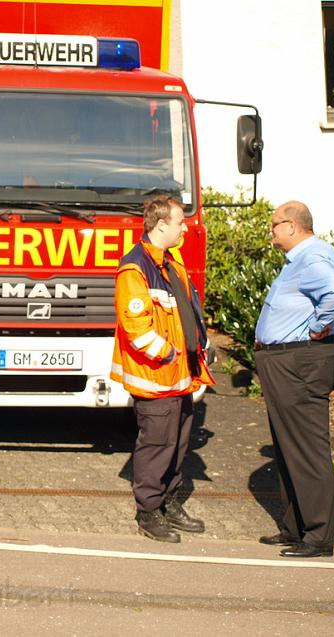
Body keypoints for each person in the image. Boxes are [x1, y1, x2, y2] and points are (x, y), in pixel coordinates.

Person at [110, 195, 214, 543]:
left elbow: (187, 309)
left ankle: (168, 502)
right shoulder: (135, 267)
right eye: (181, 221)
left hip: (180, 376)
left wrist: (201, 344)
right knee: (157, 445)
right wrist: (169, 354)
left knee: (178, 443)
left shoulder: (171, 260)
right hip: (157, 378)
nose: (186, 226)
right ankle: (148, 512)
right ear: (161, 225)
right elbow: (136, 327)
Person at [254, 201, 334, 559]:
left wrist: (316, 326)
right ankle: (296, 527)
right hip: (288, 360)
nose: (272, 232)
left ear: (293, 226)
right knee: (288, 444)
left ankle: (318, 537)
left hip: (297, 359)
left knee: (306, 446)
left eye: (275, 225)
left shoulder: (311, 258)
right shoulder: (314, 256)